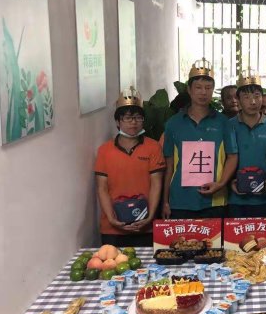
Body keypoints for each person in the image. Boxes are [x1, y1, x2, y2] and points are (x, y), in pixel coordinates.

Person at [162, 59, 238, 219]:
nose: (203, 92)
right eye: (198, 87)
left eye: (208, 88)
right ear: (189, 90)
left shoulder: (224, 123)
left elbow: (232, 156)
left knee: (215, 237)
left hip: (215, 200)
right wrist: (165, 202)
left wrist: (221, 183)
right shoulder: (173, 124)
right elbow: (169, 166)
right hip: (180, 200)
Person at [94, 87, 165, 246]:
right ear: (118, 122)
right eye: (128, 118)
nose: (133, 122)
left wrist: (150, 216)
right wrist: (111, 218)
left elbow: (156, 184)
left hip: (145, 225)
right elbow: (101, 188)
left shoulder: (153, 147)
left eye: (138, 118)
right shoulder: (104, 150)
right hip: (112, 228)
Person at [227, 72, 266, 218]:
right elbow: (222, 160)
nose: (253, 102)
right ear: (238, 100)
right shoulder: (229, 126)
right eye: (246, 97)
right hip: (236, 200)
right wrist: (229, 182)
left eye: (257, 96)